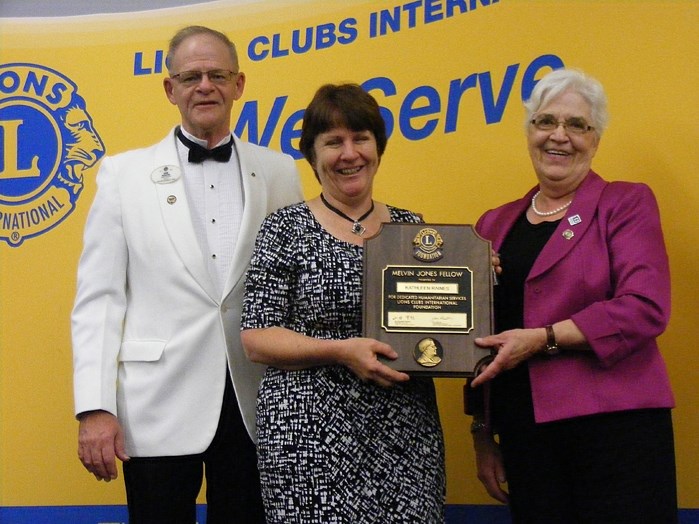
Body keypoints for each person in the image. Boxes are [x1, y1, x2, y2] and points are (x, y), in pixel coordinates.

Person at [71, 25, 303, 524]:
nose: (205, 86)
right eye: (191, 75)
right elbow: (100, 299)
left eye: (217, 74)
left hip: (255, 403)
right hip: (155, 407)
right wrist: (94, 407)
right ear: (169, 88)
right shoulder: (121, 176)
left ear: (239, 84)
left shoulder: (281, 170)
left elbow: (303, 279)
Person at [467, 68, 677, 523]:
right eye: (545, 122)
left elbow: (645, 307)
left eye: (576, 125)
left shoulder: (626, 203)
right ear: (528, 132)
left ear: (595, 138)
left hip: (617, 433)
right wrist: (484, 433)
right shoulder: (492, 225)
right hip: (526, 435)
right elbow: (475, 338)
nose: (558, 136)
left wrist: (542, 338)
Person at [240, 83, 445, 523]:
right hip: (307, 435)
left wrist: (476, 275)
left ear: (378, 146)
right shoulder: (284, 229)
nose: (349, 153)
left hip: (404, 432)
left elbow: (442, 320)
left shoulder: (415, 229)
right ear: (313, 156)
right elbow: (257, 339)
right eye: (333, 142)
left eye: (361, 138)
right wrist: (340, 351)